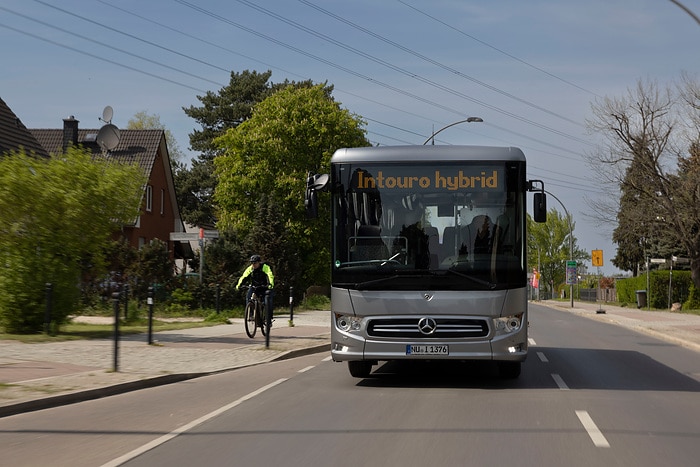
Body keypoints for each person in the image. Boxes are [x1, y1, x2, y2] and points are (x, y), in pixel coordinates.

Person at [236, 254, 275, 322]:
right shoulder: (250, 268)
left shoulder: (265, 267)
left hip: (264, 287)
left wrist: (270, 284)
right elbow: (244, 277)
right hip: (254, 287)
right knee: (249, 297)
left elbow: (270, 275)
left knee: (267, 301)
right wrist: (239, 285)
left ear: (259, 262)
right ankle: (251, 315)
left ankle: (268, 317)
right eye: (252, 263)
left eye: (255, 263)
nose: (253, 264)